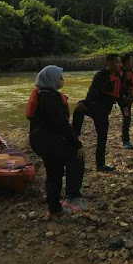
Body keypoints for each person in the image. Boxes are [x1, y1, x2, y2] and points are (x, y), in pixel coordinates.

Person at [26, 65, 86, 216]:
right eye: (60, 78)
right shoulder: (49, 98)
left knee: (54, 172)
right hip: (48, 142)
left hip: (41, 140)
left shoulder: (43, 94)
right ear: (51, 79)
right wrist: (77, 143)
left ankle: (54, 208)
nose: (63, 80)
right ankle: (72, 197)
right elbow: (61, 123)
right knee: (76, 156)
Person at [72, 53, 121, 172]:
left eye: (119, 62)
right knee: (79, 108)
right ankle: (74, 139)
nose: (119, 65)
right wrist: (87, 104)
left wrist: (124, 106)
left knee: (102, 137)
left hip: (104, 110)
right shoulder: (100, 75)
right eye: (117, 62)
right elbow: (92, 92)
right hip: (94, 107)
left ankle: (100, 164)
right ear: (109, 63)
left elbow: (118, 94)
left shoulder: (118, 76)